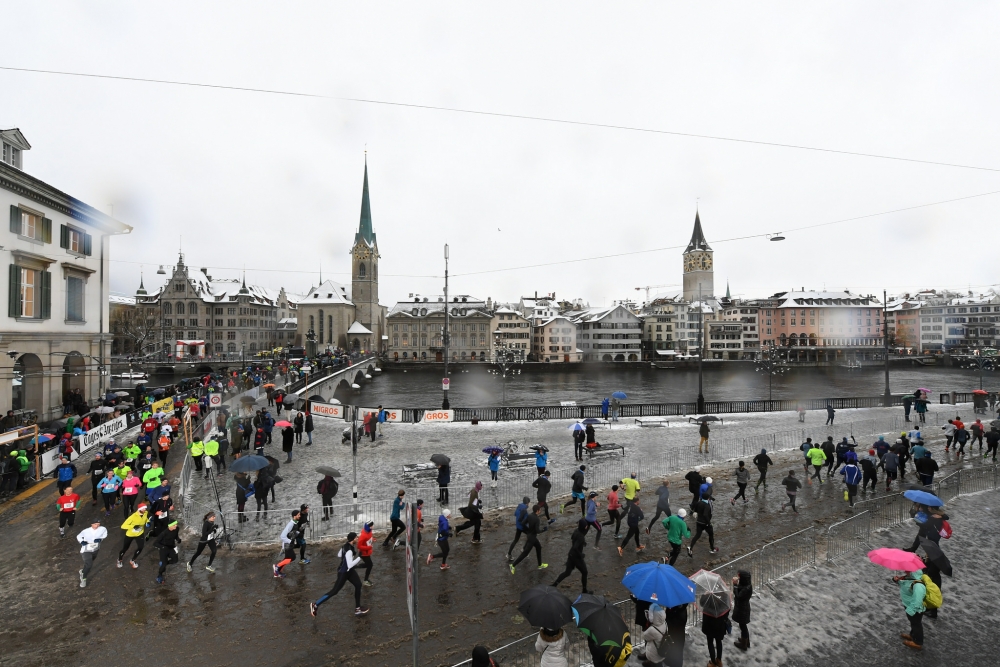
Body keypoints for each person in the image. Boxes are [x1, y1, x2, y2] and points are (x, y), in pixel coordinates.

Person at [310, 532, 369, 617]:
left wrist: (346, 559)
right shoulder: (349, 550)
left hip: (349, 571)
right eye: (356, 538)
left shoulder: (345, 545)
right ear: (352, 539)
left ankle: (358, 609)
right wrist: (360, 557)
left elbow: (339, 555)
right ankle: (315, 605)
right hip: (343, 573)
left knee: (358, 585)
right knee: (334, 591)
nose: (357, 539)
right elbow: (350, 565)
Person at [552, 519, 592, 594]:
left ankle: (554, 585)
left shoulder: (576, 531)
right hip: (577, 558)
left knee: (567, 572)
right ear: (584, 527)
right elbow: (575, 547)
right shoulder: (581, 536)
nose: (587, 526)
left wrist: (583, 543)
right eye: (586, 525)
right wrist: (581, 555)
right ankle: (584, 590)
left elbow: (572, 538)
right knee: (585, 572)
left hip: (571, 555)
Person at [895, 569, 926, 650]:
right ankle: (913, 635)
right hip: (909, 605)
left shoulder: (918, 585)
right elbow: (906, 586)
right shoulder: (910, 578)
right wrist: (897, 580)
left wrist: (911, 610)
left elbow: (917, 600)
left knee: (916, 624)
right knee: (913, 623)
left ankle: (918, 642)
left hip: (915, 609)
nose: (905, 571)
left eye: (908, 570)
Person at [510, 504, 546, 573]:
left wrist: (528, 530)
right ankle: (513, 565)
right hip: (532, 538)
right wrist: (544, 530)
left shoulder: (529, 515)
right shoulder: (537, 519)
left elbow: (523, 523)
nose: (540, 511)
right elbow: (537, 531)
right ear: (537, 511)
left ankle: (540, 565)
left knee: (539, 547)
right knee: (525, 553)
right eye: (540, 510)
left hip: (529, 536)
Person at [701, 591, 730, 666]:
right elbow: (727, 608)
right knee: (718, 641)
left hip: (709, 622)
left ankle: (713, 662)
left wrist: (704, 595)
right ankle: (719, 661)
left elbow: (701, 603)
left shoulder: (708, 595)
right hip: (720, 623)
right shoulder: (724, 595)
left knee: (710, 642)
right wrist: (724, 618)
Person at [117, 502, 149, 569]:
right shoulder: (132, 517)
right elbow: (123, 526)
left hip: (140, 533)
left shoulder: (146, 513)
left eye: (145, 508)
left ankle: (133, 560)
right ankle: (119, 560)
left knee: (140, 547)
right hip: (130, 534)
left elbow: (146, 519)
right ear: (139, 509)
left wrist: (148, 522)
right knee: (125, 548)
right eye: (143, 509)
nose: (145, 510)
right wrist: (133, 526)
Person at [77, 519, 108, 588]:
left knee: (89, 563)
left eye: (98, 524)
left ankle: (82, 571)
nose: (97, 526)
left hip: (95, 550)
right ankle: (83, 579)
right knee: (89, 564)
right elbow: (78, 536)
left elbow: (105, 534)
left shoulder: (103, 529)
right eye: (95, 524)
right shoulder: (86, 531)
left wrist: (101, 539)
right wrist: (82, 541)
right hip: (86, 550)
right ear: (91, 524)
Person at [272, 509, 302, 578]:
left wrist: (298, 532)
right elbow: (282, 536)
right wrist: (290, 541)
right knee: (292, 557)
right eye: (298, 515)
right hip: (287, 544)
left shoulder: (295, 523)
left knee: (287, 558)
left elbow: (292, 532)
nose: (299, 516)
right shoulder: (290, 524)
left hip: (289, 544)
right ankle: (277, 566)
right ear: (294, 516)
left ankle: (278, 572)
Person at [687, 492, 717, 557]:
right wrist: (709, 523)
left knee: (697, 535)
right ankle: (712, 548)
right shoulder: (707, 505)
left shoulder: (698, 503)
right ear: (708, 498)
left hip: (698, 522)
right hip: (705, 523)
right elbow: (705, 515)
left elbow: (695, 510)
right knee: (711, 535)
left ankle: (690, 547)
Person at [153, 520, 181, 584]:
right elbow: (155, 543)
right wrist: (162, 547)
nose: (176, 525)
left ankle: (164, 563)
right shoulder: (164, 533)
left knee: (175, 560)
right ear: (170, 526)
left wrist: (178, 539)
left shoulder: (177, 529)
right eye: (174, 525)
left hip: (171, 547)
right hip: (164, 549)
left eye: (176, 524)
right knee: (163, 566)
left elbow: (176, 536)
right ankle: (159, 575)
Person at [732, 570, 753, 651]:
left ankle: (744, 644)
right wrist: (737, 584)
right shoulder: (747, 585)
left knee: (743, 626)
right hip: (743, 608)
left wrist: (735, 585)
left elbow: (738, 596)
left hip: (742, 609)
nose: (738, 578)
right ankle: (746, 641)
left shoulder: (746, 588)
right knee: (743, 625)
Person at [507, 496, 530, 560]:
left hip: (518, 526)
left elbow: (515, 514)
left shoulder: (518, 507)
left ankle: (509, 554)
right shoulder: (524, 510)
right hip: (523, 526)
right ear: (527, 503)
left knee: (515, 540)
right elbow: (525, 520)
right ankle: (524, 549)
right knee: (530, 536)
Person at [358, 521, 375, 586]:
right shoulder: (363, 535)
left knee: (368, 565)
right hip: (364, 553)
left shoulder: (369, 531)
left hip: (367, 552)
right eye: (372, 525)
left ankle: (354, 566)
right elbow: (359, 546)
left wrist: (372, 539)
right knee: (370, 565)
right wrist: (369, 547)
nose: (373, 526)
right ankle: (365, 580)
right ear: (369, 527)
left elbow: (369, 538)